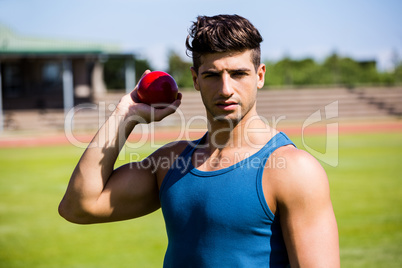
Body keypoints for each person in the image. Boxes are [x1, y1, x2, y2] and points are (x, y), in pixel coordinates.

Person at [59, 14, 339, 267]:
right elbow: (79, 207)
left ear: (260, 76)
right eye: (212, 75)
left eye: (239, 73)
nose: (226, 89)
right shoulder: (171, 163)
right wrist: (125, 115)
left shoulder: (295, 169)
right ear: (195, 79)